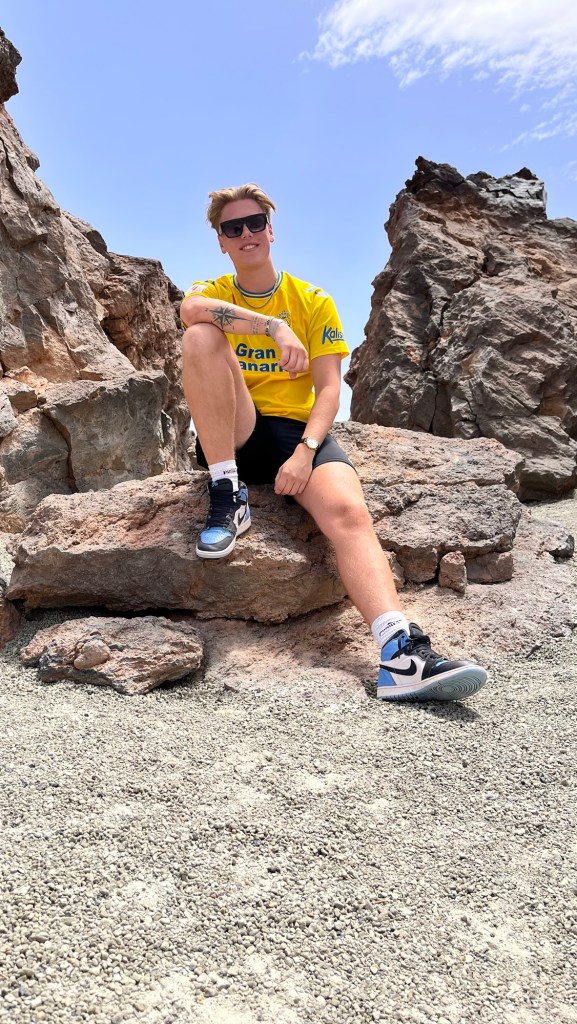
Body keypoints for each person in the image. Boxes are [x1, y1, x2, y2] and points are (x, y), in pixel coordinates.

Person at [180, 183, 488, 702]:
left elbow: (328, 390)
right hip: (237, 430)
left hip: (299, 433)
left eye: (255, 223)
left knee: (349, 512)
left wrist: (305, 452)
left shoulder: (313, 301)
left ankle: (400, 655)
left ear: (270, 230)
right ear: (221, 241)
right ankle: (227, 492)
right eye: (233, 227)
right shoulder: (213, 290)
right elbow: (191, 311)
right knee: (200, 334)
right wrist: (273, 327)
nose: (246, 233)